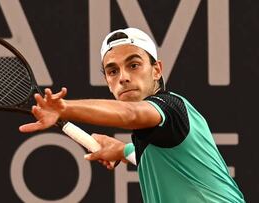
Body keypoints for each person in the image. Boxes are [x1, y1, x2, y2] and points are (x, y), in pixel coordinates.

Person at [19, 28, 245, 202]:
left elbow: (131, 115)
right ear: (107, 81)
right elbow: (156, 157)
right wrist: (121, 150)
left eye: (134, 65)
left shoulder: (170, 107)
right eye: (113, 71)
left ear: (156, 70)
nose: (123, 77)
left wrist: (64, 108)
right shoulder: (159, 134)